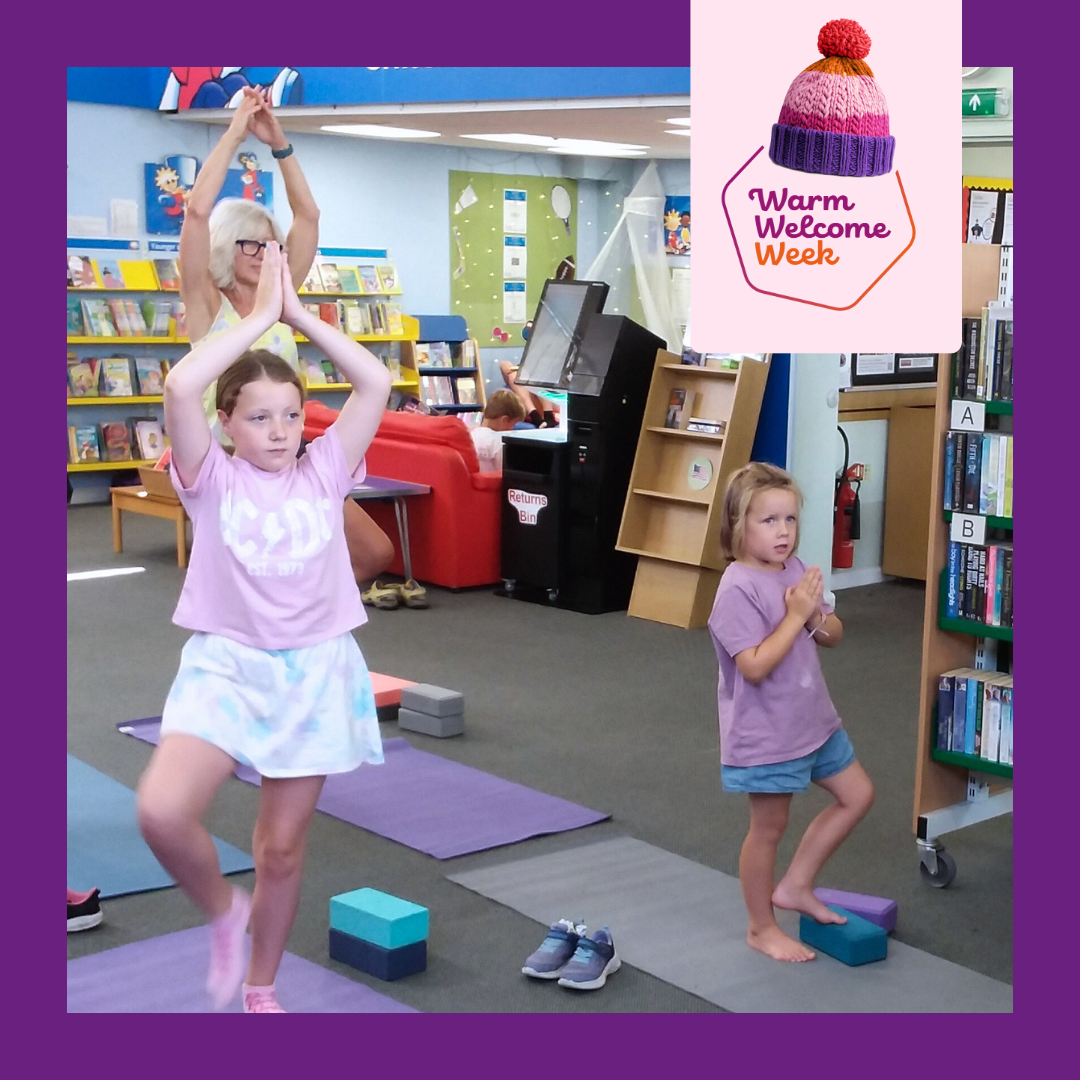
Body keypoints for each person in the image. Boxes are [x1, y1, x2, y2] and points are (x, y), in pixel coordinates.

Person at [136, 243, 392, 1013]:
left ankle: (261, 988)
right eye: (258, 417)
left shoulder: (325, 471)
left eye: (291, 415)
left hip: (314, 672)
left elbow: (374, 382)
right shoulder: (208, 478)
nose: (280, 431)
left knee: (280, 851)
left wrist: (300, 316)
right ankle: (224, 913)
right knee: (161, 811)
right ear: (225, 423)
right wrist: (257, 319)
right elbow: (181, 384)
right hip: (227, 665)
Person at [179, 85, 393, 586]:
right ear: (225, 247)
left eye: (270, 244)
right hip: (228, 461)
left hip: (287, 455)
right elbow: (196, 214)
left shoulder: (279, 299)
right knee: (252, 569)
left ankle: (301, 606)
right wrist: (235, 133)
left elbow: (308, 216)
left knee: (373, 553)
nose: (263, 253)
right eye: (249, 244)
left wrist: (280, 145)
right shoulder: (207, 302)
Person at [708, 462, 874, 963]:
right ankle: (761, 927)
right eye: (769, 521)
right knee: (769, 829)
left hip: (814, 721)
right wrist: (796, 615)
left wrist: (815, 615)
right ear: (738, 524)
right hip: (767, 734)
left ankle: (796, 885)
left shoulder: (796, 569)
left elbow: (833, 635)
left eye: (790, 519)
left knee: (858, 795)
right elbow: (755, 666)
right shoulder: (736, 589)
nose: (783, 532)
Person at [470, 389, 527, 473]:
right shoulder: (498, 442)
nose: (512, 429)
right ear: (504, 420)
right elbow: (507, 472)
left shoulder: (471, 435)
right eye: (513, 424)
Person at [497, 360, 559, 428]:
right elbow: (504, 365)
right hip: (528, 404)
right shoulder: (516, 375)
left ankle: (548, 414)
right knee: (512, 373)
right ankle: (534, 414)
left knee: (539, 374)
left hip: (551, 402)